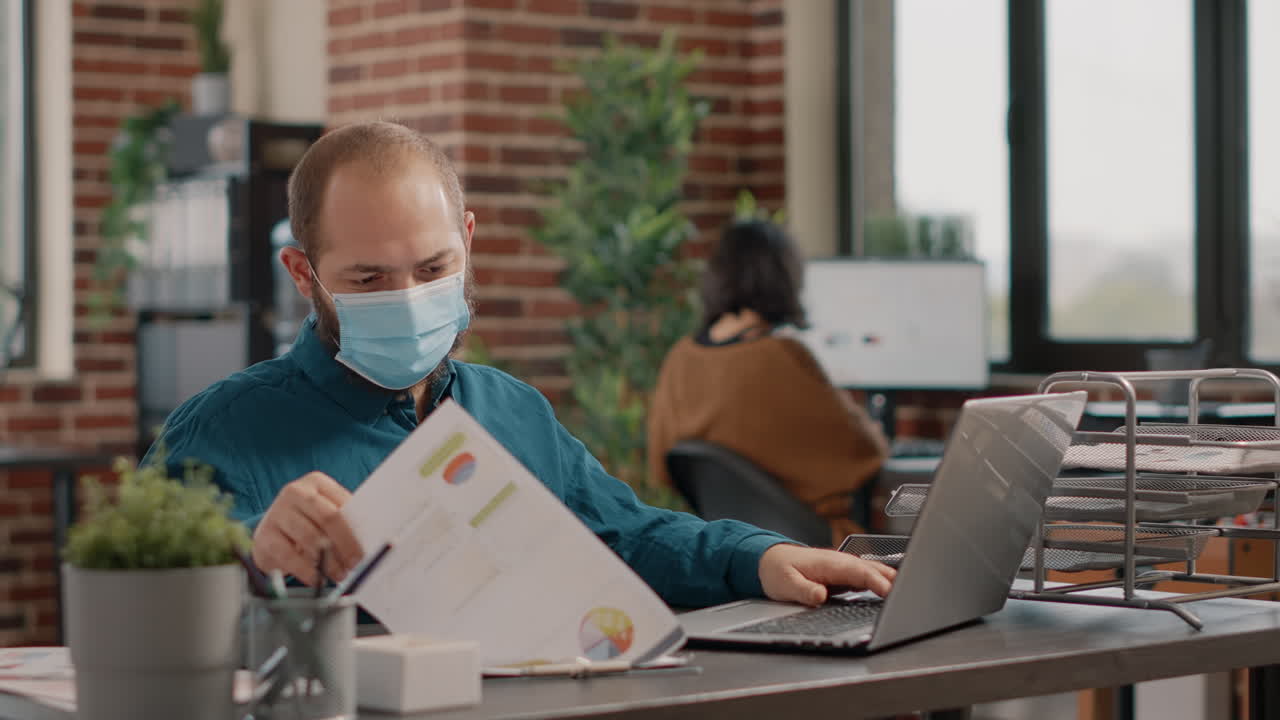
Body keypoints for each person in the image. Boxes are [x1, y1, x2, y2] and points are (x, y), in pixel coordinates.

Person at [144, 121, 894, 611]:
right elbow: (141, 601)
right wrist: (251, 556)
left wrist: (760, 556)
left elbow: (627, 535)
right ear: (303, 275)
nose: (408, 300)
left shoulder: (512, 412)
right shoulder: (221, 432)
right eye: (369, 280)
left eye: (434, 266)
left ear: (468, 239)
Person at [647, 220, 890, 546]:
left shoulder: (681, 357)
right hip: (814, 547)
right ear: (783, 279)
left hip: (728, 547)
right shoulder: (780, 355)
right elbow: (864, 452)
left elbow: (665, 467)